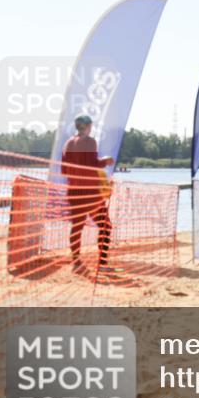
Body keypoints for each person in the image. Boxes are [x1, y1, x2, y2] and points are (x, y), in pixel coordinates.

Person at [61, 115, 117, 279]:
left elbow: (64, 170)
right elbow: (92, 164)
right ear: (87, 126)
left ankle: (76, 263)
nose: (91, 128)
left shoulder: (68, 143)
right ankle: (102, 264)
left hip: (73, 192)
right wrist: (105, 161)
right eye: (91, 125)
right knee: (105, 226)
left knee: (76, 227)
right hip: (90, 193)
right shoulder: (90, 141)